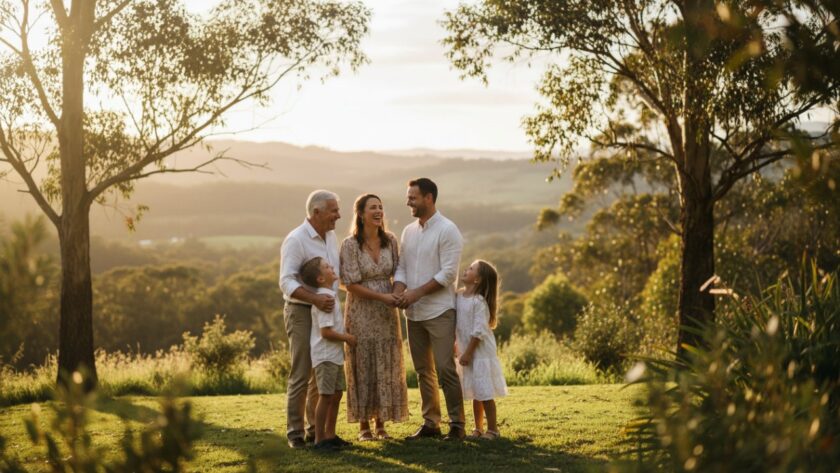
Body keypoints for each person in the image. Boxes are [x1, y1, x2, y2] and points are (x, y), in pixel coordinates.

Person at [393, 177, 466, 441]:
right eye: (408, 196)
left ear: (429, 198)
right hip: (413, 313)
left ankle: (457, 424)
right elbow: (401, 266)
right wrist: (399, 289)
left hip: (439, 311)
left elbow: (448, 274)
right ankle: (431, 423)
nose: (408, 201)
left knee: (445, 368)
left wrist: (416, 293)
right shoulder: (408, 231)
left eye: (412, 197)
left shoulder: (448, 230)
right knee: (424, 370)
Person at [340, 194, 409, 440]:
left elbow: (400, 270)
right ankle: (363, 426)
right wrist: (383, 298)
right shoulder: (350, 244)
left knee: (385, 361)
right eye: (373, 208)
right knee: (363, 361)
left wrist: (397, 292)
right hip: (361, 310)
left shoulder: (390, 240)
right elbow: (350, 284)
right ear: (360, 214)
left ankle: (381, 423)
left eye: (380, 207)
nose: (378, 211)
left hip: (388, 312)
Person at [278, 190, 341, 449]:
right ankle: (295, 433)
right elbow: (285, 281)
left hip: (325, 311)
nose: (338, 215)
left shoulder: (332, 236)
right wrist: (314, 299)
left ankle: (319, 431)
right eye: (333, 211)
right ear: (316, 212)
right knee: (302, 371)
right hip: (302, 312)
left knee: (321, 370)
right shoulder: (296, 239)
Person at [300, 256, 357, 450]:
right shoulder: (325, 299)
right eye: (326, 267)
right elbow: (325, 332)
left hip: (334, 355)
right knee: (325, 396)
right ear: (320, 279)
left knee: (336, 394)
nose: (331, 267)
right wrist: (347, 338)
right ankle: (319, 439)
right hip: (325, 355)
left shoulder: (330, 294)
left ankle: (331, 435)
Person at [455, 259, 508, 440]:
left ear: (477, 280)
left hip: (479, 352)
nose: (466, 269)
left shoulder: (479, 302)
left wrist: (468, 353)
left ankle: (493, 429)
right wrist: (458, 347)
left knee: (484, 392)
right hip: (466, 350)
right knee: (476, 392)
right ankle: (478, 428)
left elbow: (478, 331)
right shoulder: (458, 296)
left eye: (471, 269)